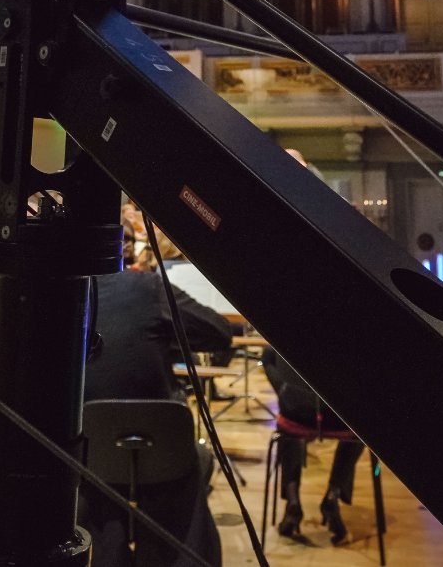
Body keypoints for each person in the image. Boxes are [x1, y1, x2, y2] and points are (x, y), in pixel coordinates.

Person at [78, 228, 233, 566]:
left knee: (102, 479)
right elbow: (219, 332)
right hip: (161, 454)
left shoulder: (58, 293)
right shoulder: (148, 287)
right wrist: (164, 339)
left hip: (84, 458)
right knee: (198, 459)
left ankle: (111, 549)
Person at [262, 350, 362, 546]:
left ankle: (292, 501)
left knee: (287, 428)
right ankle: (333, 494)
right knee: (360, 434)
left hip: (296, 413)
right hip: (341, 418)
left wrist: (283, 392)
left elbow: (268, 359)